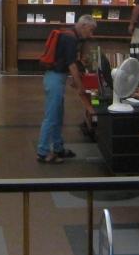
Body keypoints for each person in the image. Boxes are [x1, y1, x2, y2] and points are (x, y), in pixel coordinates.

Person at [37, 14, 97, 164]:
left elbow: (68, 61)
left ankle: (58, 148)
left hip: (57, 78)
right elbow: (71, 65)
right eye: (90, 30)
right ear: (83, 26)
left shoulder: (69, 35)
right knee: (52, 116)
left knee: (58, 115)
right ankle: (43, 152)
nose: (91, 34)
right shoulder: (70, 38)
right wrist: (80, 86)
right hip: (55, 79)